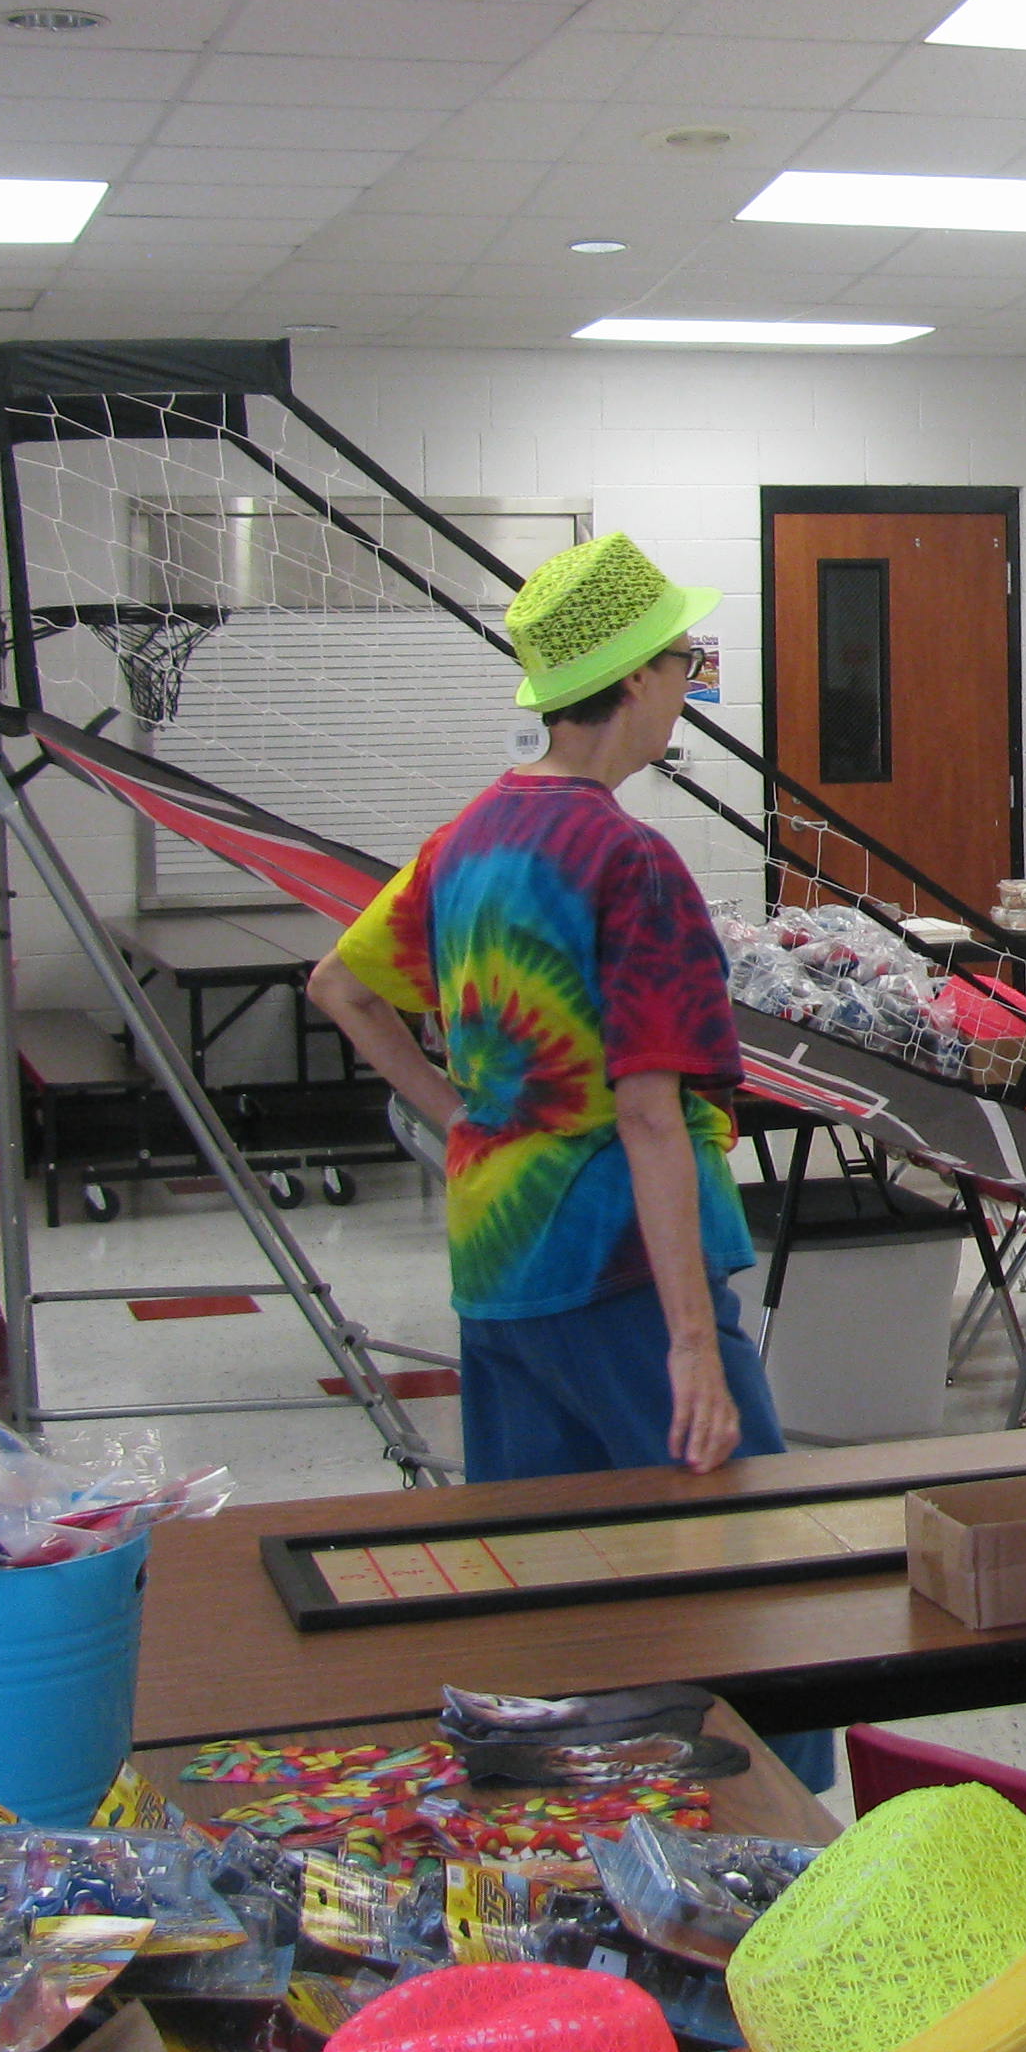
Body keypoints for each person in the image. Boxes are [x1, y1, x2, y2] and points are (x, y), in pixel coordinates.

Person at [308, 536, 832, 1792]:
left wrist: (464, 1117)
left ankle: (564, 1848)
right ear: (636, 677)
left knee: (543, 1606)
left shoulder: (467, 841)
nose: (689, 680)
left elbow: (341, 986)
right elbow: (649, 1116)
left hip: (499, 1269)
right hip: (621, 1269)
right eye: (685, 659)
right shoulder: (628, 861)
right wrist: (693, 1343)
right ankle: (779, 1855)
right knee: (749, 1582)